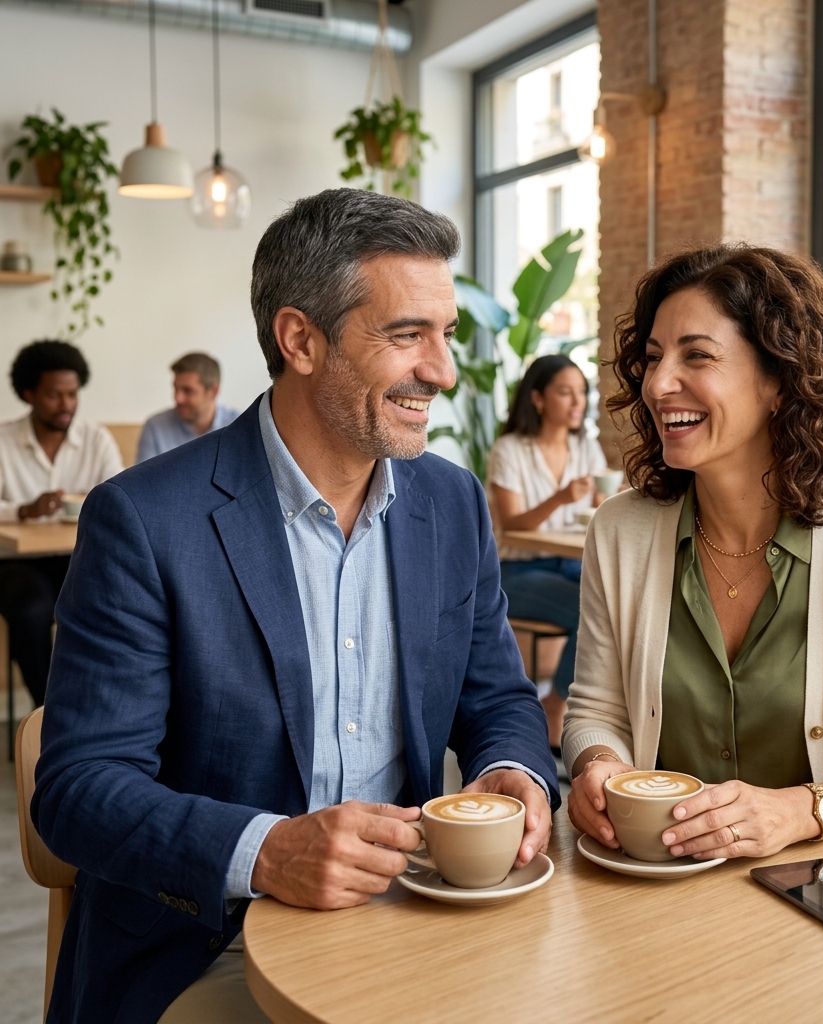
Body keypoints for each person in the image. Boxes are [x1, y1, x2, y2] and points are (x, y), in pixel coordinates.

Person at [33, 189, 559, 1024]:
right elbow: (78, 790)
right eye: (405, 335)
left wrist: (511, 772)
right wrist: (269, 851)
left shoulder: (452, 504)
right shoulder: (143, 518)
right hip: (213, 942)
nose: (444, 371)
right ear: (300, 339)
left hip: (419, 918)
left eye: (445, 335)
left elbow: (496, 696)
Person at [563, 244, 823, 865]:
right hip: (654, 886)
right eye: (652, 357)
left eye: (697, 355)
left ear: (779, 379)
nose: (658, 382)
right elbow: (597, 709)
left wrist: (798, 812)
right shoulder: (619, 531)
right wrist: (599, 766)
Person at [487, 354, 607, 749]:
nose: (577, 402)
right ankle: (554, 705)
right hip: (514, 571)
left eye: (581, 393)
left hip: (569, 563)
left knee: (615, 601)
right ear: (538, 399)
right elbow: (513, 525)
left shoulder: (586, 449)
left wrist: (610, 504)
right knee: (585, 607)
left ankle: (603, 709)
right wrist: (559, 498)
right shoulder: (510, 450)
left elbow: (595, 513)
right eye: (565, 392)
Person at [0, 340, 122, 706]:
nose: (66, 404)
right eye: (55, 395)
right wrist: (23, 511)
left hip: (78, 555)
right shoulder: (4, 440)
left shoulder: (95, 439)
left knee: (116, 603)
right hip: (14, 563)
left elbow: (120, 496)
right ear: (29, 393)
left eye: (72, 394)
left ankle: (102, 708)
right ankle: (47, 715)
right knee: (32, 611)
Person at [137, 352, 240, 461]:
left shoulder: (238, 426)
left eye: (187, 391)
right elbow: (142, 478)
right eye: (176, 389)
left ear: (213, 392)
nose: (178, 398)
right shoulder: (155, 427)